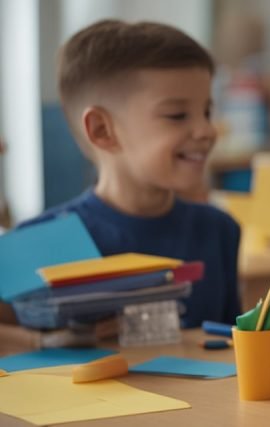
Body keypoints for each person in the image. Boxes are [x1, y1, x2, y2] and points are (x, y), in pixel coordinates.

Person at [16, 20, 241, 328]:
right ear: (101, 130)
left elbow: (235, 348)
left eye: (207, 111)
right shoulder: (34, 244)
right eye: (177, 115)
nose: (206, 130)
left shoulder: (219, 230)